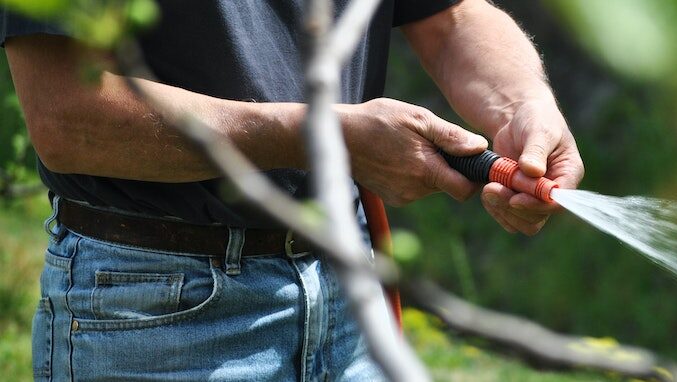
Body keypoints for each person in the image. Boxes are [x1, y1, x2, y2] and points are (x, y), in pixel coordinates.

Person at [1, 0, 584, 380]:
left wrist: (523, 105)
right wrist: (321, 137)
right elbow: (68, 118)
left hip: (348, 288)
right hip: (158, 314)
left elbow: (450, 17)